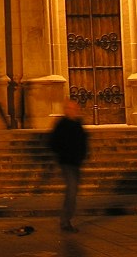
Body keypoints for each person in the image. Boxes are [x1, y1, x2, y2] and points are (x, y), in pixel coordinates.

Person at [49, 99, 88, 232]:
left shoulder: (78, 124)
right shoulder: (62, 124)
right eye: (70, 109)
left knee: (73, 191)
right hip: (66, 162)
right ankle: (65, 221)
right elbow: (53, 142)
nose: (73, 111)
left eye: (75, 109)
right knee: (71, 190)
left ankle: (66, 219)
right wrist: (62, 153)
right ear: (66, 110)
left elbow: (83, 141)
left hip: (76, 162)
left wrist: (82, 155)